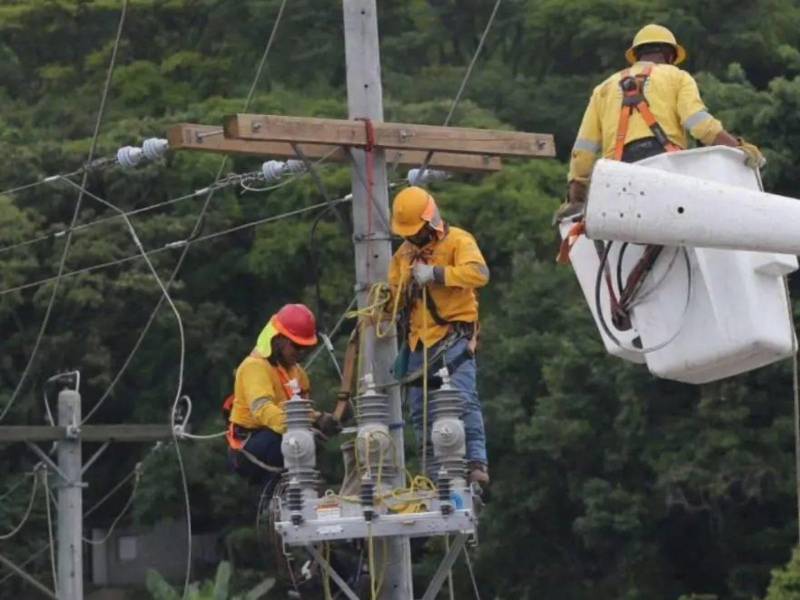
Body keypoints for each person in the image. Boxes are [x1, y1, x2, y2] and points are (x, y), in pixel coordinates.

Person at [556, 23, 765, 222]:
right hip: (666, 170)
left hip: (617, 177)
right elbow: (700, 126)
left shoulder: (603, 89)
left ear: (636, 56)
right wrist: (737, 147)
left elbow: (583, 151)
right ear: (670, 55)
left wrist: (576, 198)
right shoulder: (677, 77)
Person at [387, 186, 491, 486]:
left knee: (462, 401)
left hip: (453, 338)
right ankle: (433, 475)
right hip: (418, 343)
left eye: (416, 232)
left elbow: (479, 274)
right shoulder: (402, 256)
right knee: (421, 412)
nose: (412, 238)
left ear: (430, 221)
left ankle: (475, 463)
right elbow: (392, 299)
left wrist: (436, 274)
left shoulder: (458, 240)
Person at [226, 303, 338, 486]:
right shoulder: (254, 367)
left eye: (305, 348)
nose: (300, 353)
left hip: (278, 436)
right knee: (292, 442)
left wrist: (318, 419)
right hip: (249, 446)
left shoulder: (297, 372)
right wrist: (300, 428)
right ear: (279, 339)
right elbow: (263, 409)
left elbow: (300, 410)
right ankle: (277, 495)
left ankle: (298, 492)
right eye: (296, 346)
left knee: (308, 444)